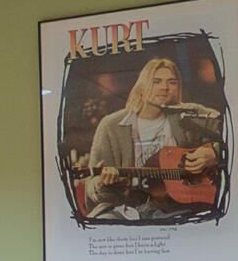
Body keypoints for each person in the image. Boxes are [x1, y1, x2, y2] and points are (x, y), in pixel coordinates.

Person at [80, 57, 223, 222]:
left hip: (181, 207)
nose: (164, 87)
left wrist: (214, 152)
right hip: (127, 209)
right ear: (142, 85)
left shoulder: (188, 113)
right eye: (156, 81)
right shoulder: (111, 126)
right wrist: (103, 183)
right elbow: (92, 188)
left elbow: (232, 130)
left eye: (172, 82)